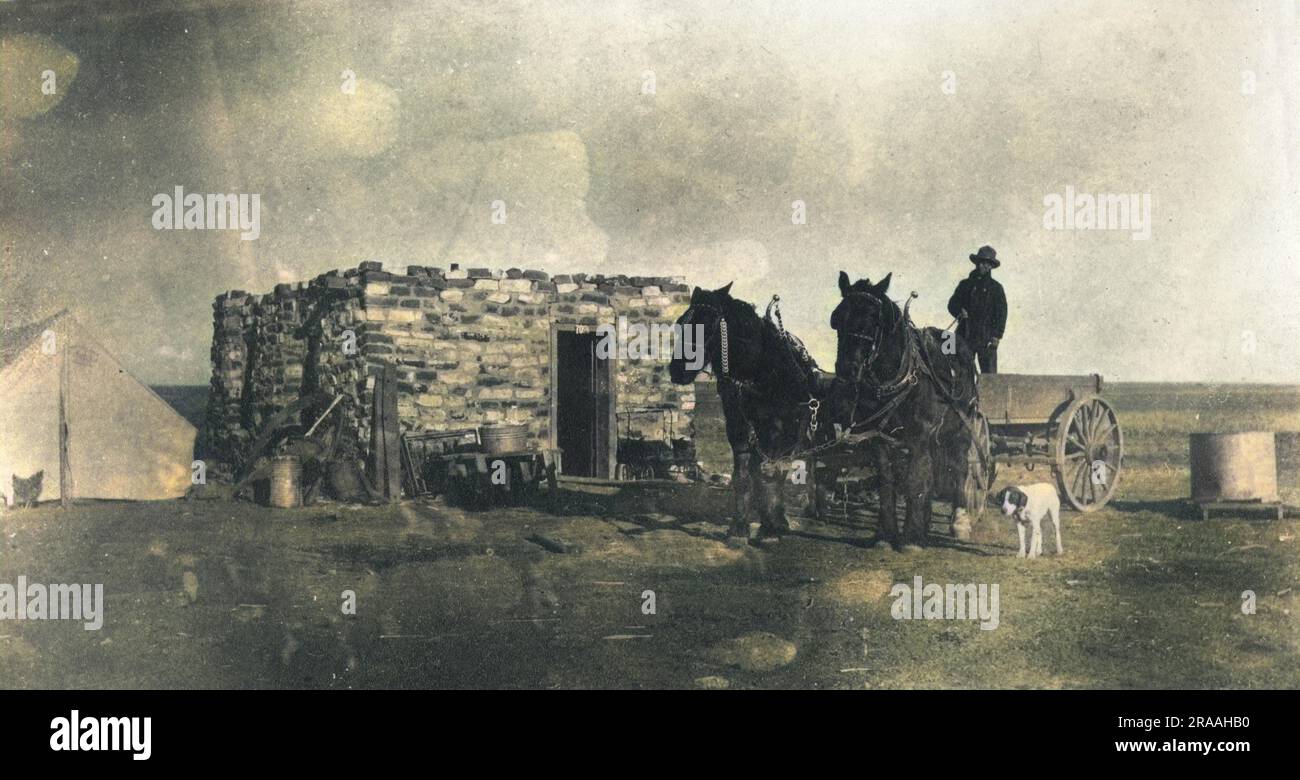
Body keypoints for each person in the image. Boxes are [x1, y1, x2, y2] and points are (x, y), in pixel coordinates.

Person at [947, 245, 1007, 373]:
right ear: (976, 263)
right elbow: (952, 304)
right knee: (961, 373)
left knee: (989, 378)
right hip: (965, 335)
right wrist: (960, 311)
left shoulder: (996, 288)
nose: (983, 266)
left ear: (991, 266)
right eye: (981, 262)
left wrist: (996, 336)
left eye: (987, 263)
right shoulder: (965, 285)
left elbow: (1002, 314)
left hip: (987, 339)